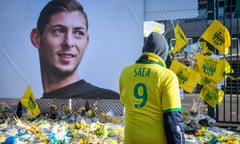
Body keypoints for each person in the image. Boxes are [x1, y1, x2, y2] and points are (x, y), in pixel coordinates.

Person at [30, 0, 119, 99]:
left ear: (86, 42)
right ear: (36, 38)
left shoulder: (112, 103)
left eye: (78, 33)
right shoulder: (31, 110)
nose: (69, 43)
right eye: (59, 31)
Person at [119, 32, 185, 144]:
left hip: (131, 139)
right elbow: (173, 119)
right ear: (163, 53)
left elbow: (124, 103)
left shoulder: (125, 73)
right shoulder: (167, 76)